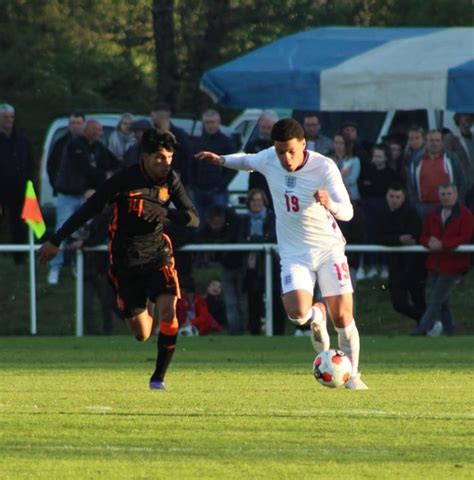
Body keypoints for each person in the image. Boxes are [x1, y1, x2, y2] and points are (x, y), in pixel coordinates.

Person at [196, 118, 368, 389]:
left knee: (344, 318)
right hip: (294, 254)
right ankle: (316, 315)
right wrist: (221, 160)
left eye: (290, 151)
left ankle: (354, 376)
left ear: (303, 143)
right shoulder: (270, 159)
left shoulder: (324, 167)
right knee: (298, 314)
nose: (285, 158)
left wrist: (330, 203)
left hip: (328, 250)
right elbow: (248, 160)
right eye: (279, 151)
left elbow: (348, 211)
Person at [38, 130, 199, 390]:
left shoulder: (172, 180)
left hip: (158, 255)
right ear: (145, 157)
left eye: (169, 157)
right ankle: (147, 299)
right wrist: (57, 240)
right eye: (160, 157)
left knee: (169, 311)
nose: (166, 163)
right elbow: (88, 210)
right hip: (126, 262)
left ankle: (158, 378)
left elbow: (193, 218)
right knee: (142, 334)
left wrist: (167, 213)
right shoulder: (123, 181)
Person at [48, 119, 120, 285]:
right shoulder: (75, 146)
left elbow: (113, 162)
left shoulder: (98, 147)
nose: (100, 133)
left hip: (88, 196)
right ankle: (55, 266)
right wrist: (104, 177)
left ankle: (77, 264)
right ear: (88, 130)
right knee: (62, 228)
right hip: (70, 194)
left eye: (101, 130)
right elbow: (85, 169)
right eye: (97, 129)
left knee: (84, 230)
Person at [412, 183, 473, 336]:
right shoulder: (433, 215)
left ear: (456, 194)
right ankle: (450, 331)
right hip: (435, 263)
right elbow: (424, 236)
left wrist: (442, 244)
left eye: (449, 194)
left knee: (436, 299)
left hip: (454, 265)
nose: (446, 197)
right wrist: (430, 243)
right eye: (443, 194)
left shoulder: (466, 215)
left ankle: (422, 329)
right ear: (439, 196)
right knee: (441, 301)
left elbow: (465, 237)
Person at [377, 182, 426, 325]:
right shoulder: (383, 214)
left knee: (419, 299)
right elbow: (379, 237)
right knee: (398, 303)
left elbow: (413, 236)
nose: (394, 199)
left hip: (414, 264)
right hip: (395, 266)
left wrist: (395, 239)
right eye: (392, 196)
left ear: (403, 198)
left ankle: (424, 329)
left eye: (398, 197)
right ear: (387, 196)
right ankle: (427, 322)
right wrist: (398, 239)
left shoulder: (411, 212)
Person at [196, 204, 247, 335]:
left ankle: (245, 329)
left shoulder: (235, 224)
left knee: (242, 301)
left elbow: (234, 240)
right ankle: (235, 332)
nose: (216, 227)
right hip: (226, 267)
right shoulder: (207, 230)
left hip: (242, 266)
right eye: (213, 224)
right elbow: (198, 236)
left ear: (223, 219)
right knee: (230, 302)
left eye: (218, 223)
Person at [239, 188, 282, 335]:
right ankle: (255, 332)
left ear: (264, 202)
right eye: (253, 200)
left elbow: (271, 238)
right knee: (253, 301)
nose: (256, 203)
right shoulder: (244, 220)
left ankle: (278, 332)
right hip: (252, 268)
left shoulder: (272, 218)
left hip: (271, 266)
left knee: (276, 299)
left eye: (259, 200)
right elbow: (241, 240)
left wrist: (253, 239)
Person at [0, 103, 35, 265]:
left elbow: (30, 163)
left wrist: (29, 183)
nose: (9, 120)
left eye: (11, 117)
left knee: (19, 224)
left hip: (19, 188)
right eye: (5, 117)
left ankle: (19, 259)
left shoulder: (22, 140)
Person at [359, 143, 399, 279]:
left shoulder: (391, 173)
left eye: (379, 156)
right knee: (371, 236)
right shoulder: (367, 171)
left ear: (386, 158)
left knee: (385, 236)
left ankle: (385, 267)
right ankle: (372, 267)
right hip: (370, 208)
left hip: (386, 208)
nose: (376, 158)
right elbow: (363, 189)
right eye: (375, 156)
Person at [190, 109, 236, 225]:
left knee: (219, 221)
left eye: (213, 122)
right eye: (207, 122)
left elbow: (232, 167)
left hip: (218, 190)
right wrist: (193, 184)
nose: (210, 125)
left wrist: (221, 185)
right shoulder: (197, 142)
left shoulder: (226, 142)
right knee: (199, 223)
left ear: (218, 122)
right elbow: (191, 165)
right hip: (199, 190)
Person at [406, 129, 465, 220]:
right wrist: (416, 205)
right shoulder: (416, 160)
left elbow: (461, 181)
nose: (435, 143)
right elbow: (411, 185)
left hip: (448, 207)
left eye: (437, 140)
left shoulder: (451, 158)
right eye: (431, 140)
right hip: (424, 208)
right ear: (425, 142)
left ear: (442, 142)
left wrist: (457, 202)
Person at [151, 104, 193, 187]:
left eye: (153, 116)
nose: (152, 119)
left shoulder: (179, 135)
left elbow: (187, 156)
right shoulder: (153, 134)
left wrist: (182, 176)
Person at [246, 110, 279, 210]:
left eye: (269, 128)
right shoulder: (251, 145)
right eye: (263, 128)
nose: (265, 131)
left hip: (274, 188)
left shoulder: (280, 147)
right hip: (255, 187)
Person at [46, 111, 86, 196]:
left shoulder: (92, 143)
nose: (75, 126)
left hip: (86, 193)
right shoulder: (60, 144)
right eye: (72, 123)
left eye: (78, 123)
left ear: (84, 124)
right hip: (65, 194)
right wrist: (57, 185)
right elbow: (51, 166)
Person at [443, 113, 474, 189]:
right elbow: (446, 160)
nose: (468, 119)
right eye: (464, 116)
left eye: (470, 116)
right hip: (463, 184)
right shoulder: (450, 138)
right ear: (458, 119)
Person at [330, 132, 361, 202]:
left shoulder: (354, 160)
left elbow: (351, 180)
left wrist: (335, 175)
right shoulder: (328, 159)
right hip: (332, 196)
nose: (338, 146)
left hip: (351, 197)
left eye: (341, 143)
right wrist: (341, 174)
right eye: (336, 142)